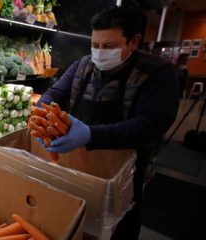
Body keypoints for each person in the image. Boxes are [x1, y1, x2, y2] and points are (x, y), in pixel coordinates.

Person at [37, 6, 179, 240]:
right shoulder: (83, 65)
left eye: (109, 47)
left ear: (133, 42)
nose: (99, 53)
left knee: (119, 225)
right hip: (78, 161)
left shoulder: (158, 73)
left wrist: (91, 135)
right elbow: (53, 94)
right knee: (77, 222)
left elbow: (150, 125)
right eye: (95, 45)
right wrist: (41, 118)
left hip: (126, 171)